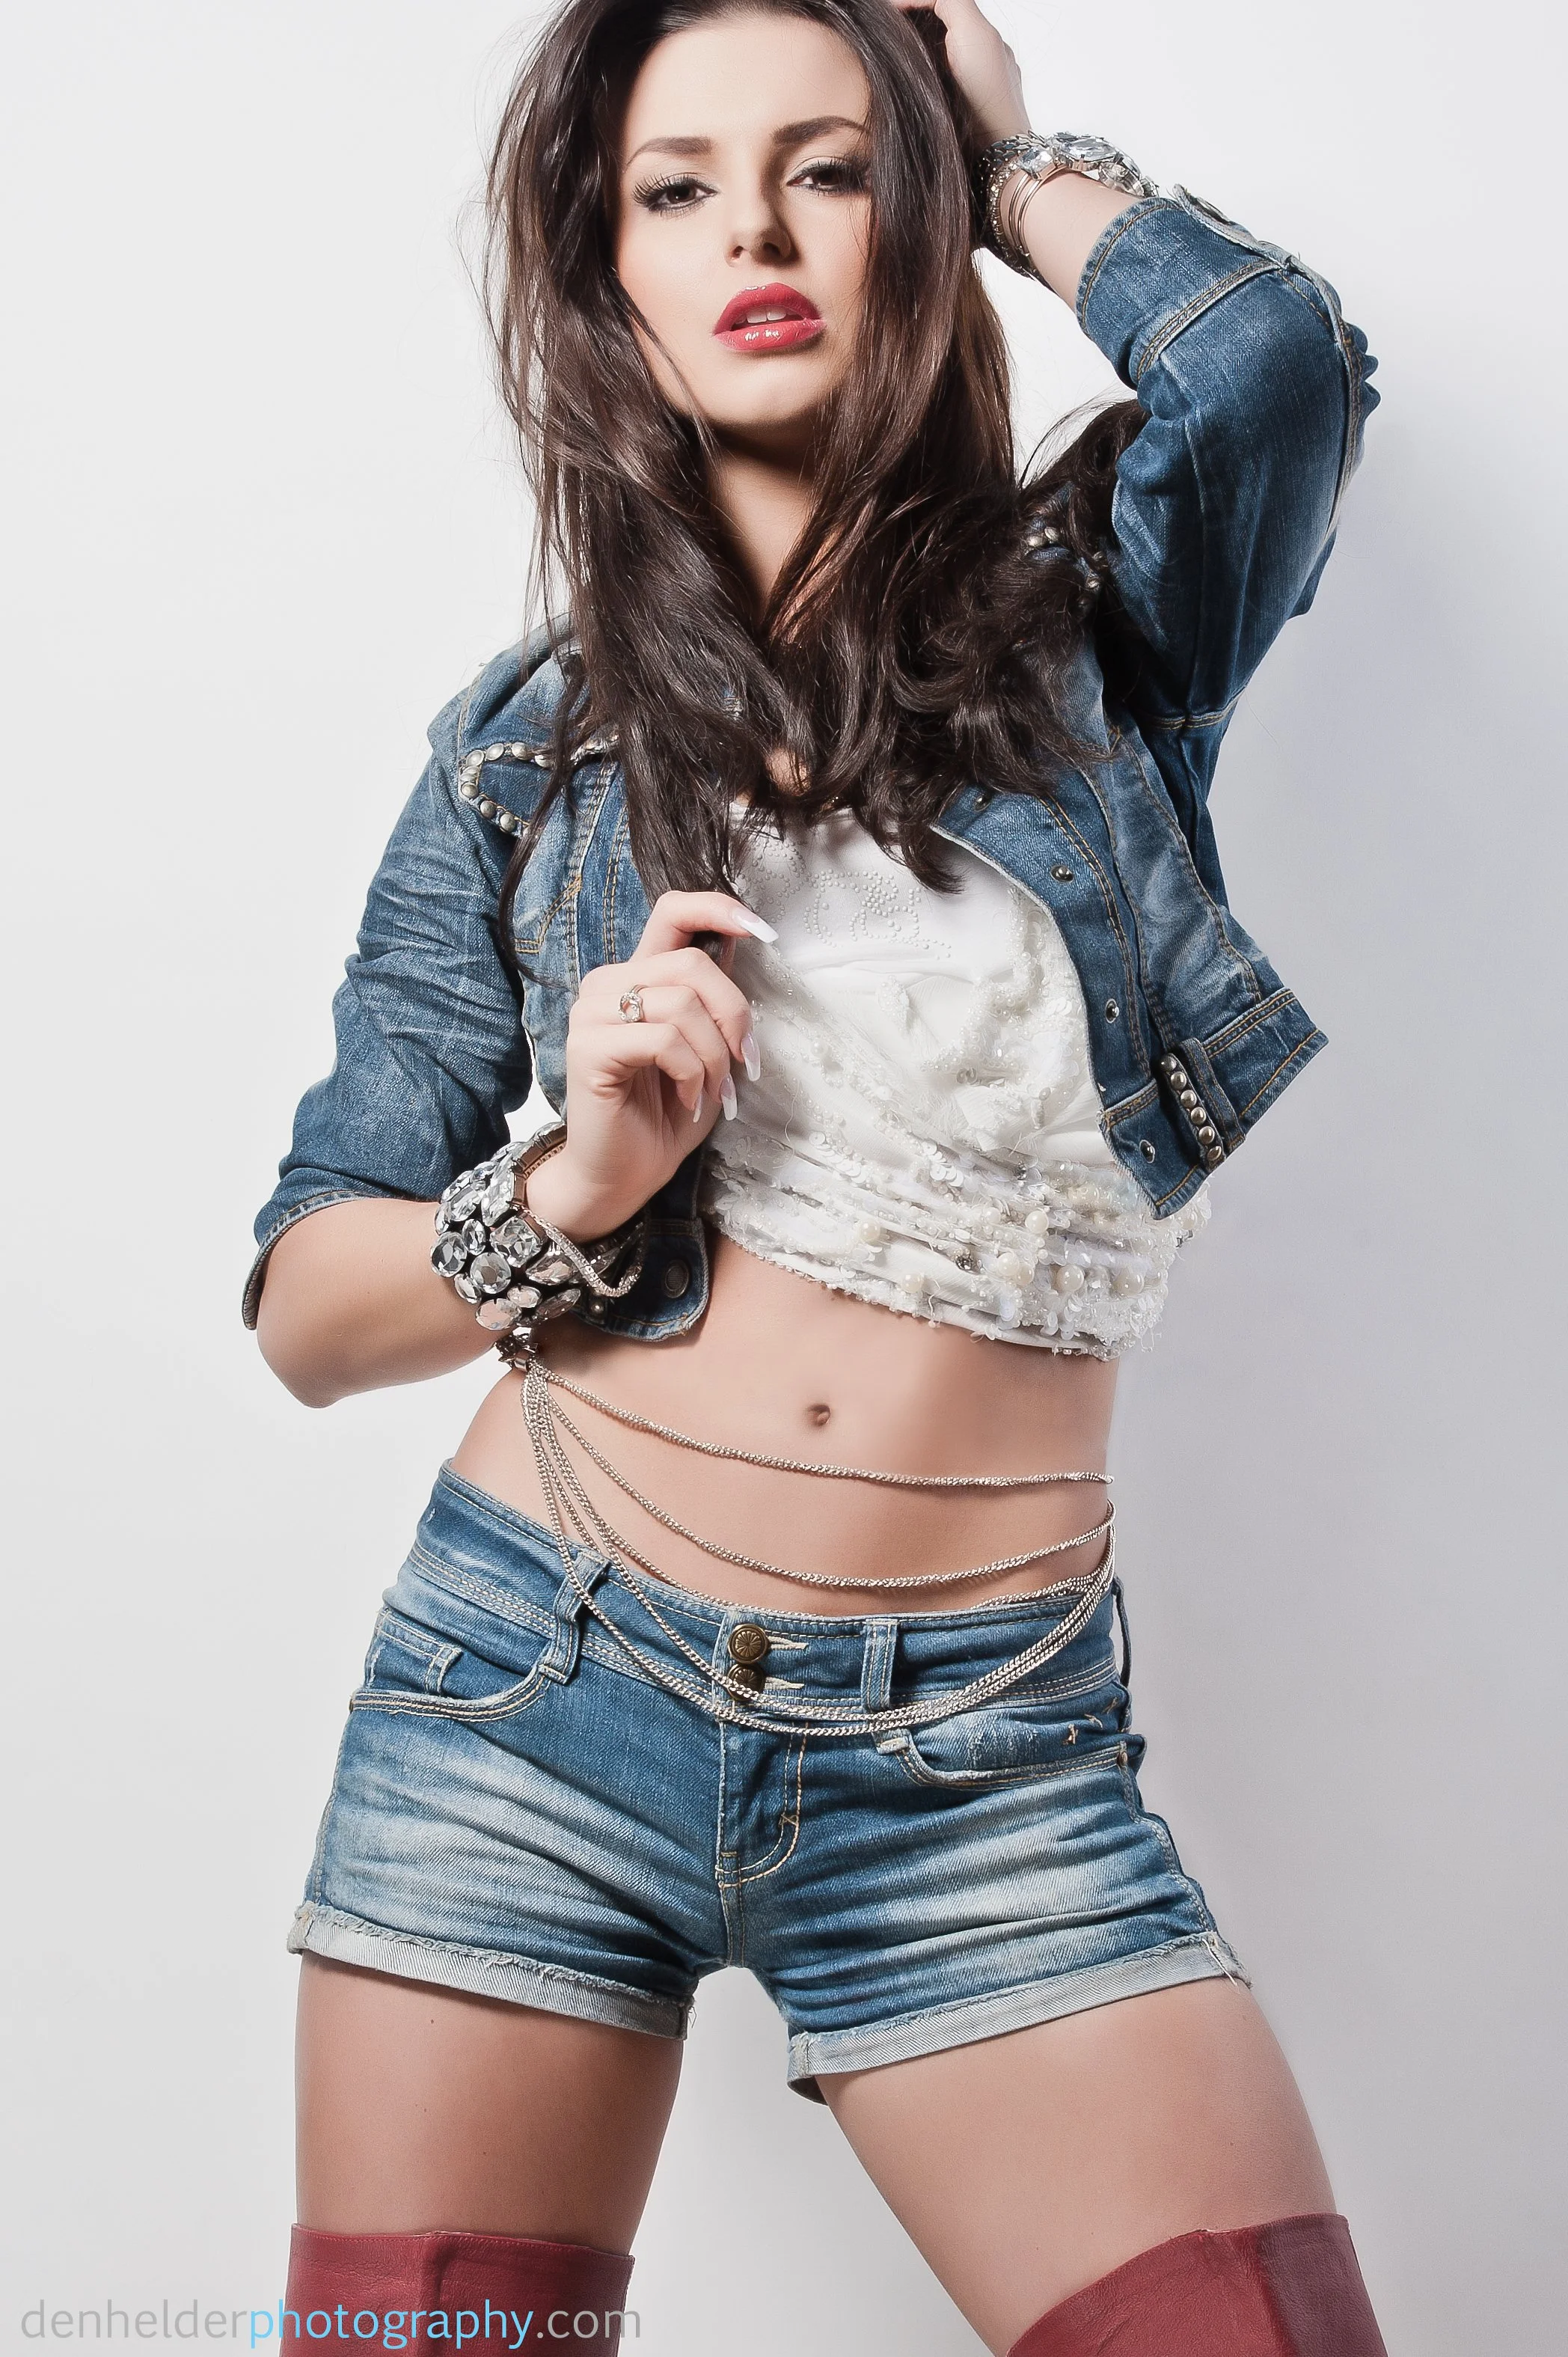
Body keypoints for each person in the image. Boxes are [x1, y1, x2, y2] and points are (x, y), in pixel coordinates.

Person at [245, 2, 1387, 2350]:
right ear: (612, 278)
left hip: (992, 1759)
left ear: (928, 221)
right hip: (522, 1702)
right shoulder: (518, 759)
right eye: (676, 189)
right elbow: (303, 1303)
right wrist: (561, 1191)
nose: (754, 233)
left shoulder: (1111, 645)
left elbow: (1262, 363)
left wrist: (1009, 141)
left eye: (831, 170)